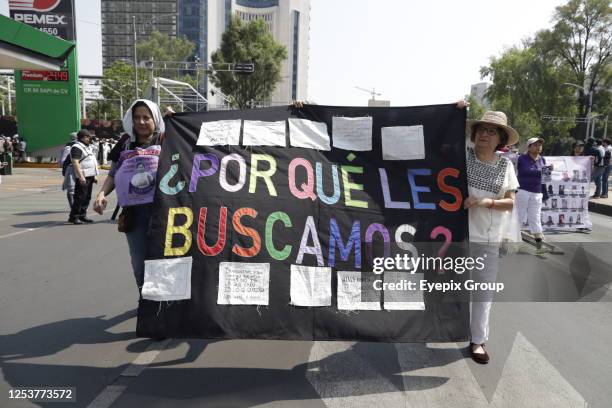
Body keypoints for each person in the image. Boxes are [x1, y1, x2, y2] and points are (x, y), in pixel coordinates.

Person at [460, 105, 520, 365]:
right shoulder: (459, 157)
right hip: (453, 237)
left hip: (487, 240)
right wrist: (453, 112)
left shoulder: (506, 166)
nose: (485, 134)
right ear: (473, 135)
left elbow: (510, 202)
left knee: (482, 293)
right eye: (481, 129)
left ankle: (478, 340)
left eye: (492, 132)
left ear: (501, 140)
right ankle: (439, 330)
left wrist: (484, 202)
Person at [93, 99, 166, 294]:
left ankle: (165, 302)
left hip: (165, 211)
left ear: (155, 119)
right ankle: (145, 299)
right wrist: (101, 193)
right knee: (139, 261)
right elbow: (113, 174)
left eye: (146, 117)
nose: (141, 122)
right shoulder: (125, 144)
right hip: (134, 213)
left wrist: (176, 122)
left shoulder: (167, 140)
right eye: (136, 118)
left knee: (164, 259)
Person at [515, 138, 551, 249]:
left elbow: (545, 178)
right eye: (535, 145)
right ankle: (512, 239)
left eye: (540, 144)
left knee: (535, 216)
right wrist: (541, 171)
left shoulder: (543, 160)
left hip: (537, 192)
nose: (538, 147)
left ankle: (539, 240)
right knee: (519, 215)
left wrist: (548, 171)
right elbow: (525, 171)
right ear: (529, 147)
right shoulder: (522, 158)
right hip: (523, 191)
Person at [68, 130, 99, 224]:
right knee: (80, 197)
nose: (90, 138)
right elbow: (75, 162)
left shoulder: (86, 147)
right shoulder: (76, 147)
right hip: (83, 176)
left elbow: (91, 161)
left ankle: (82, 215)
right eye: (88, 137)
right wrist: (81, 177)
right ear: (82, 137)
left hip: (89, 175)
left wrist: (94, 175)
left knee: (87, 197)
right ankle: (74, 217)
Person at [60, 132, 78, 208]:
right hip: (72, 169)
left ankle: (75, 207)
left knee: (75, 189)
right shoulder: (69, 147)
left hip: (78, 169)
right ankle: (73, 207)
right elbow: (64, 161)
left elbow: (62, 161)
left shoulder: (69, 146)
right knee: (72, 189)